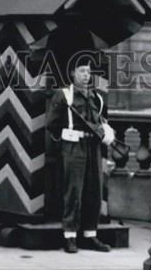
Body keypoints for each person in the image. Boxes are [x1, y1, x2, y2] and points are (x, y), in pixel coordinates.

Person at [46, 58, 113, 254]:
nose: (86, 75)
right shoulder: (64, 95)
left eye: (88, 71)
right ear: (72, 74)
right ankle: (70, 236)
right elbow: (52, 124)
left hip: (93, 147)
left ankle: (90, 235)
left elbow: (101, 121)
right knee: (73, 190)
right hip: (73, 147)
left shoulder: (96, 97)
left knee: (94, 191)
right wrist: (67, 138)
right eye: (82, 71)